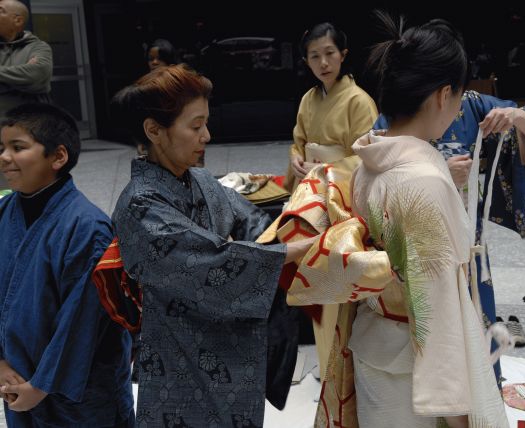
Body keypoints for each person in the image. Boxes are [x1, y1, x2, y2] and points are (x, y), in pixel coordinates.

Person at [284, 13, 509, 427]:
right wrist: (460, 414)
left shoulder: (371, 162)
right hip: (414, 371)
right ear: (444, 95)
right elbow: (434, 309)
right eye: (459, 96)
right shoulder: (423, 183)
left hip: (376, 343)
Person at [110, 64, 315, 427]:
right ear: (154, 130)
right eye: (195, 126)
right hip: (178, 355)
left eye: (205, 123)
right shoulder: (139, 206)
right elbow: (211, 263)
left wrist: (294, 232)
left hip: (233, 352)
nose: (207, 135)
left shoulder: (203, 181)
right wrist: (287, 253)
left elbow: (257, 224)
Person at [374, 32, 525, 359]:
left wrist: (515, 117)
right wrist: (441, 173)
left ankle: (478, 380)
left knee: (474, 317)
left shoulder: (471, 104)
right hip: (419, 244)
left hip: (467, 231)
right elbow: (383, 191)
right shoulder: (393, 118)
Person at [0, 103, 134, 427]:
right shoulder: (4, 212)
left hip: (81, 393)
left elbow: (81, 323)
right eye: (1, 147)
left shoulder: (88, 227)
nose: (4, 157)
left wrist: (40, 386)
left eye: (17, 147)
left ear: (58, 156)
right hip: (16, 381)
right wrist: (1, 364)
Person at [284, 22, 378, 191]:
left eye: (329, 53)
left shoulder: (359, 101)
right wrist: (296, 158)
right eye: (315, 56)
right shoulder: (308, 98)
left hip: (341, 190)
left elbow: (366, 158)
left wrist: (325, 170)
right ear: (307, 61)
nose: (323, 63)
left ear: (342, 55)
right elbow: (299, 144)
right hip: (309, 185)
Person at [0, 0, 52, 120]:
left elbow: (37, 77)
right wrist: (23, 80)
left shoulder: (38, 47)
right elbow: (31, 81)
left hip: (30, 122)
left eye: (0, 10)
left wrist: (32, 80)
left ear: (18, 21)